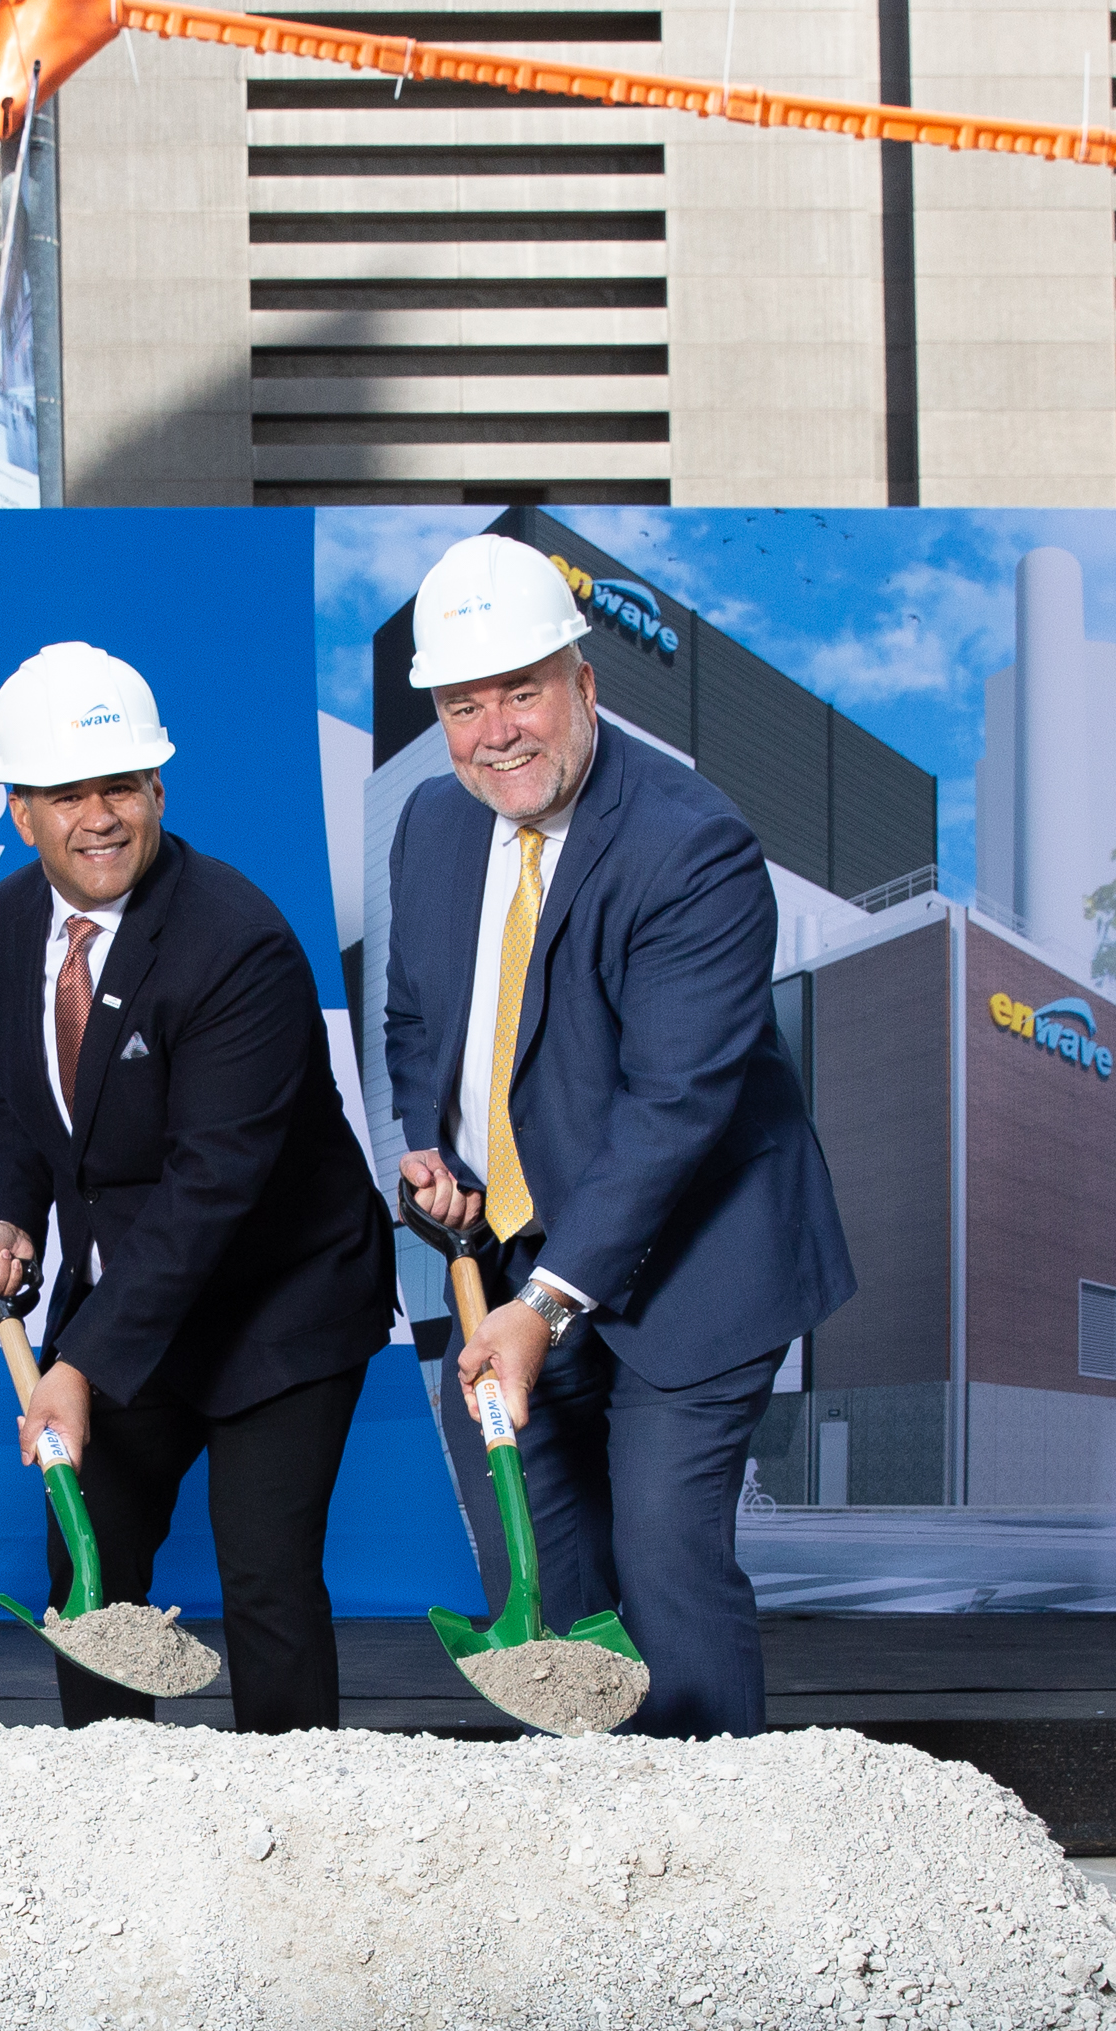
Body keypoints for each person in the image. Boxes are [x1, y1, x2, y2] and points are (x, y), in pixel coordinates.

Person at [384, 535, 855, 1740]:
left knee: (665, 1560)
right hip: (503, 1256)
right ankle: (595, 1856)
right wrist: (428, 1143)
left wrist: (544, 1308)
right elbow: (418, 1018)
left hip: (695, 1263)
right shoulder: (435, 828)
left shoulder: (691, 844)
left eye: (523, 691)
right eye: (463, 704)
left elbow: (674, 1109)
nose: (496, 732)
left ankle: (728, 1858)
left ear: (585, 685)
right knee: (532, 1573)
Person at [0, 642, 397, 1733]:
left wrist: (79, 1365)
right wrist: (13, 1212)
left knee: (267, 1579)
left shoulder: (239, 945)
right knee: (86, 1569)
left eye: (120, 788)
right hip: (136, 1286)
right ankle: (117, 1817)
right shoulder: (4, 925)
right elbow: (22, 1093)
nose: (98, 817)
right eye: (65, 794)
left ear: (157, 791)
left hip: (277, 1299)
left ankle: (292, 1838)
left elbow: (210, 1192)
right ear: (20, 811)